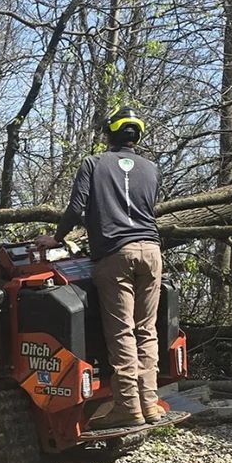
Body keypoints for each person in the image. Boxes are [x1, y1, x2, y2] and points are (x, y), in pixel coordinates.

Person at [54, 105, 164, 430]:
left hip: (115, 255)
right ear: (137, 134)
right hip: (152, 251)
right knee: (147, 331)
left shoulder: (93, 163)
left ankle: (128, 407)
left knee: (122, 332)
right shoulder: (152, 168)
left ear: (109, 133)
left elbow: (77, 208)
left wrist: (57, 237)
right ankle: (151, 404)